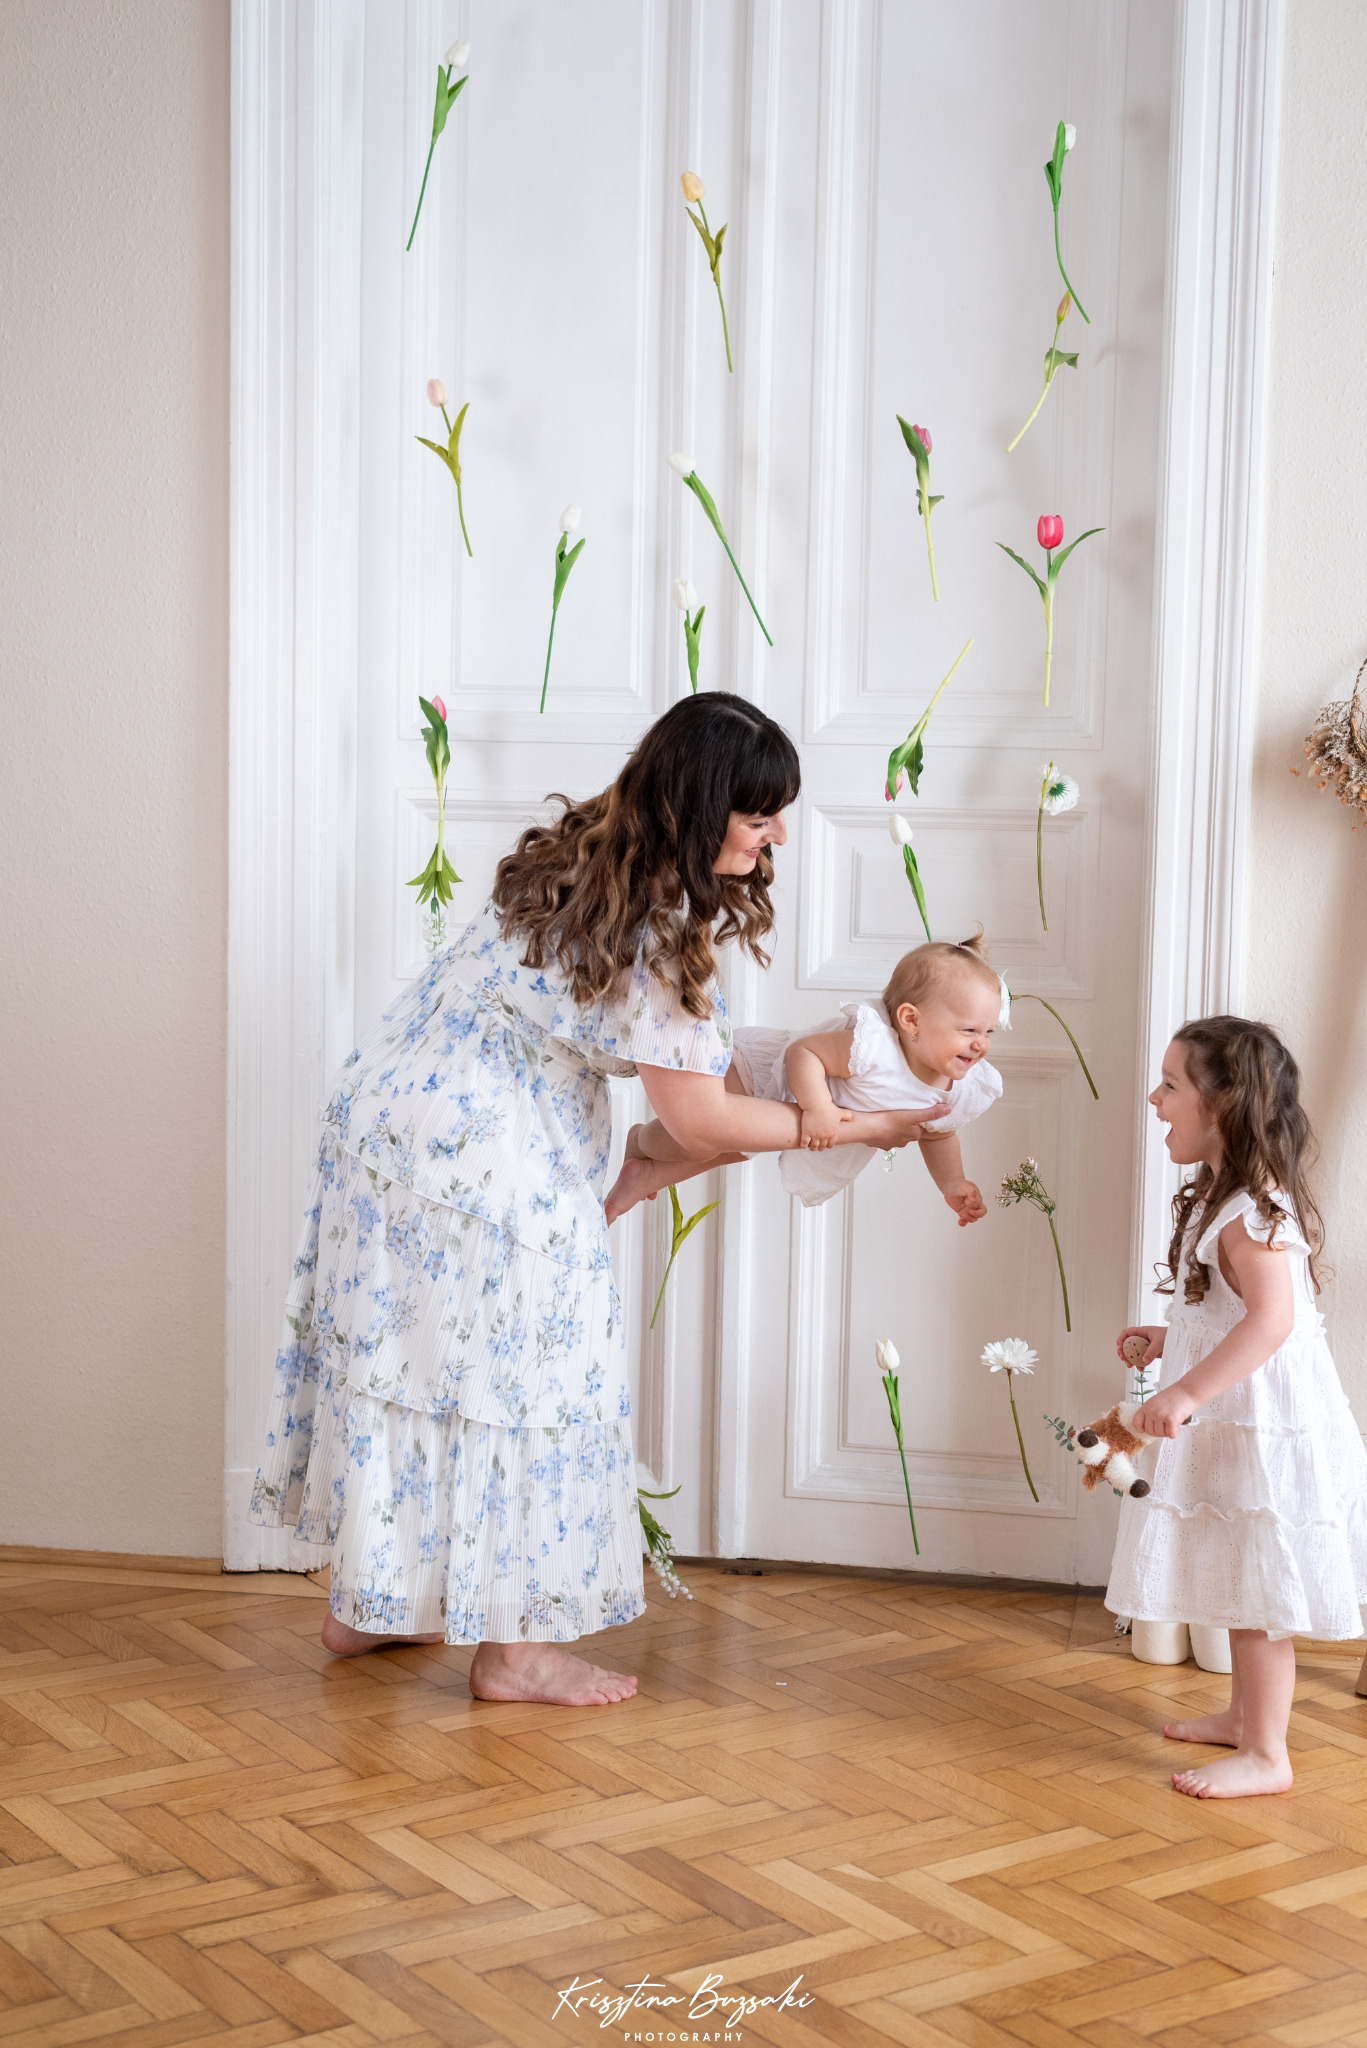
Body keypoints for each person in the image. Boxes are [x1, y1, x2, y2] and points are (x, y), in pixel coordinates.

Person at [250, 693, 934, 1705]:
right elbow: (696, 1116)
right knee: (535, 1383)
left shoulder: (576, 853)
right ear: (700, 811)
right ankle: (516, 1652)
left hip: (386, 1123)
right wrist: (846, 1126)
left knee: (419, 1368)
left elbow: (687, 1096)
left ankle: (374, 1600)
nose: (777, 836)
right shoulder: (662, 925)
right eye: (759, 816)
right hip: (483, 1158)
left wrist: (730, 1127)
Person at [1108, 1017, 1367, 1797]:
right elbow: (1232, 1314)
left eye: (1169, 1085)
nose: (1153, 1099)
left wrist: (1187, 1388)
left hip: (1264, 1427)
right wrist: (1172, 1339)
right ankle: (1239, 1716)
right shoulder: (1221, 1201)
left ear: (1219, 1105)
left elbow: (1272, 1321)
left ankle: (1265, 1754)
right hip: (1241, 1415)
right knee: (1232, 1563)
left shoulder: (1250, 1214)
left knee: (1257, 1589)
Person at [606, 933, 1003, 1221]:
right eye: (969, 1030)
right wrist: (818, 1107)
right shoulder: (873, 1048)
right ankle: (642, 1141)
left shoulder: (957, 1088)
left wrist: (953, 1182)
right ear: (911, 1020)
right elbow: (804, 1053)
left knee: (732, 1149)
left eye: (988, 1032)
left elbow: (939, 1135)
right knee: (702, 1139)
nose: (981, 1044)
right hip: (759, 1075)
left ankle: (646, 1175)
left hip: (788, 1115)